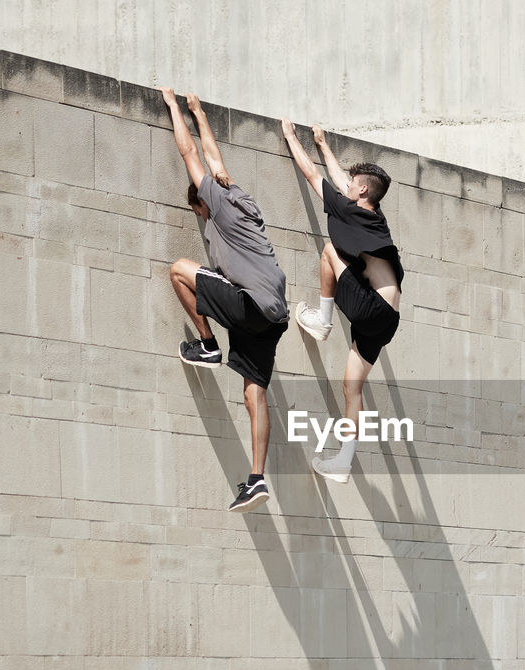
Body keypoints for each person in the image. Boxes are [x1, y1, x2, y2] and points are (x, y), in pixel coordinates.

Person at [162, 88, 289, 512]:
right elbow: (216, 159)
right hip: (274, 316)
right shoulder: (243, 200)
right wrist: (199, 111)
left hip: (249, 304)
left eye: (199, 212)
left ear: (202, 204)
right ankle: (256, 479)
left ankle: (208, 345)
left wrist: (173, 107)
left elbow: (190, 154)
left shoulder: (216, 204)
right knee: (254, 392)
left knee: (180, 269)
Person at [281, 119, 404, 484]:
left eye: (353, 184)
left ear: (363, 190)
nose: (347, 186)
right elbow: (340, 180)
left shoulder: (350, 209)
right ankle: (343, 463)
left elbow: (312, 176)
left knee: (331, 249)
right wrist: (322, 142)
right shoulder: (373, 214)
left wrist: (291, 137)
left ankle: (322, 319)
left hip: (370, 309)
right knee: (352, 387)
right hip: (387, 319)